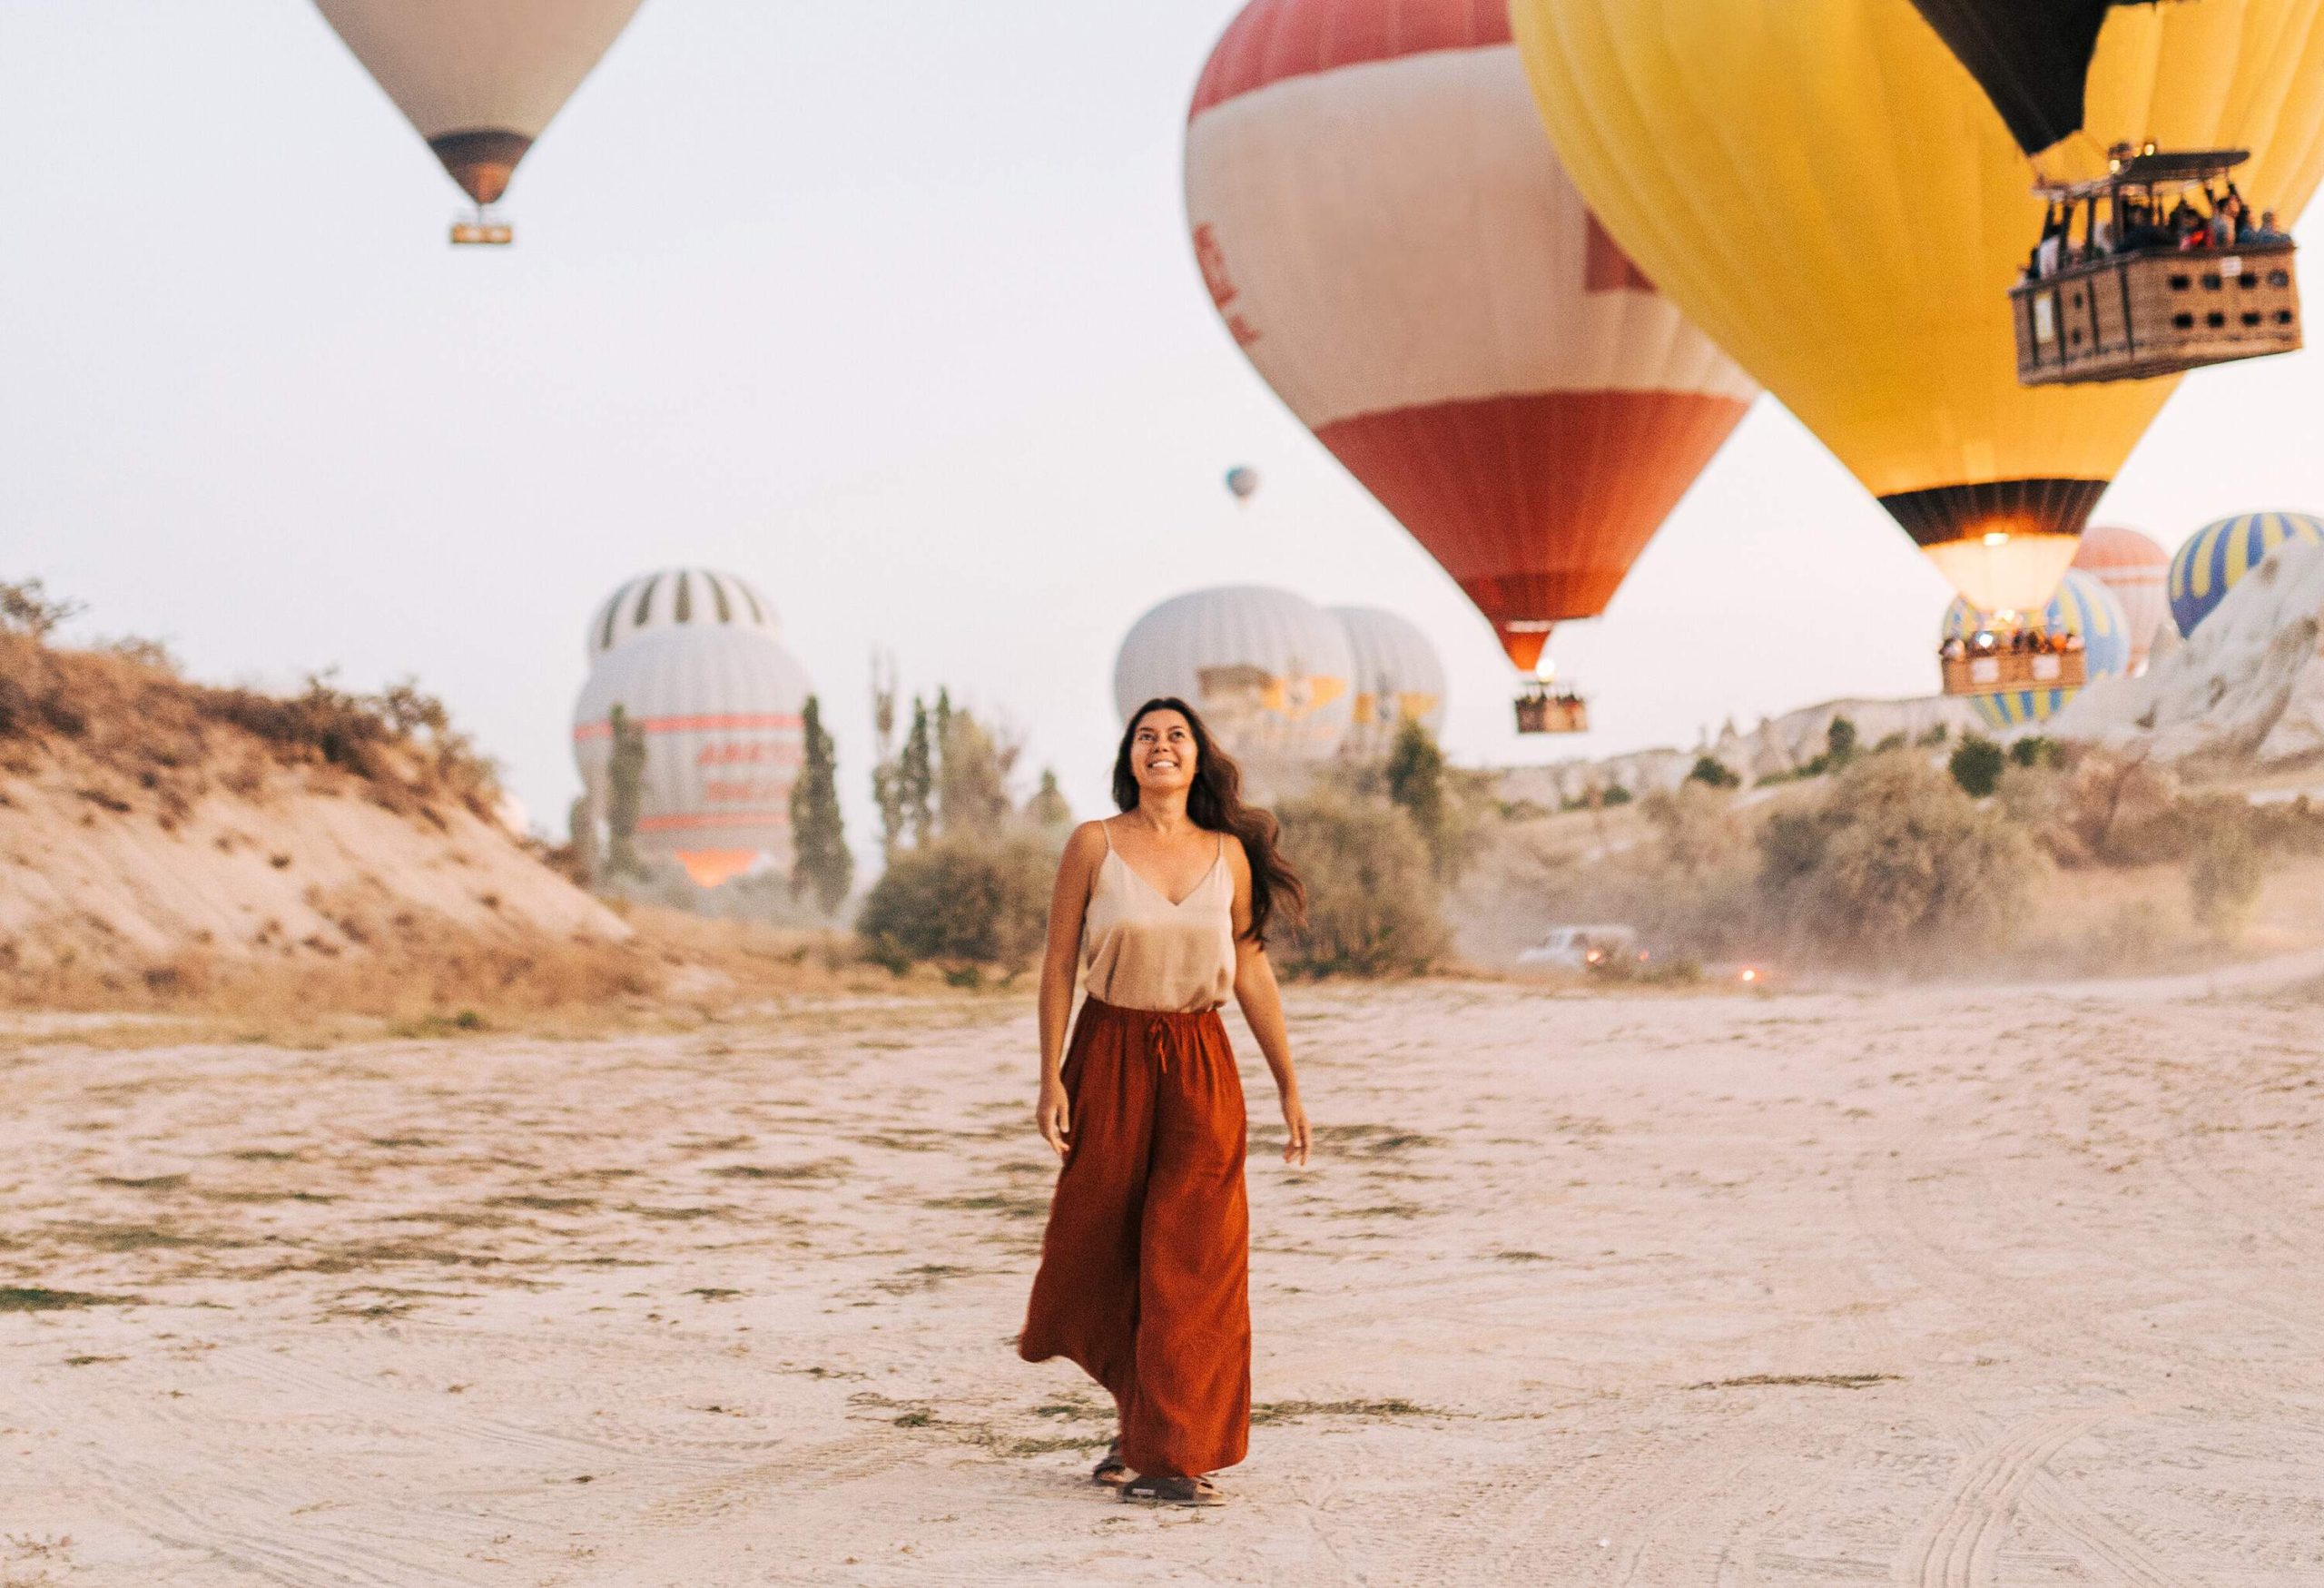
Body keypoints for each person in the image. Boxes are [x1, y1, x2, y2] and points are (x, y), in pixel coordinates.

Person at [1019, 697, 1311, 1508]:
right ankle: (1140, 1424)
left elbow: (1249, 967)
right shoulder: (1094, 844)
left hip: (1201, 1062)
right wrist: (1049, 1077)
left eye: (1176, 735)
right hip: (1108, 1052)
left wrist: (1288, 1083)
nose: (1162, 746)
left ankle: (1167, 1457)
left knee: (1196, 1255)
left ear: (1197, 757)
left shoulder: (1229, 854)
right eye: (1147, 735)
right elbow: (1055, 967)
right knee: (1105, 1246)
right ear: (1130, 757)